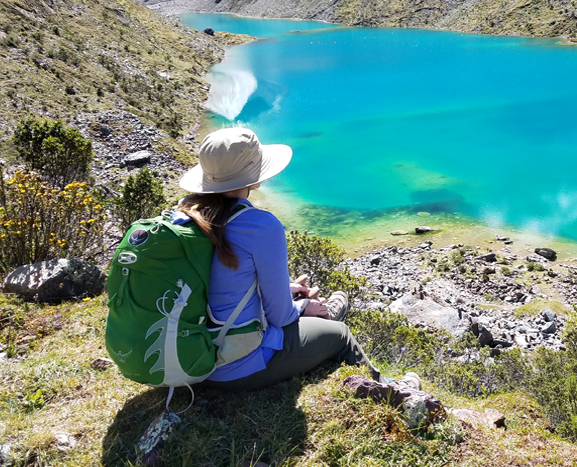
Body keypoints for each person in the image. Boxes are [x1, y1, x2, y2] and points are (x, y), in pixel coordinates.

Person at [174, 126, 418, 391]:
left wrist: (287, 291)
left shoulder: (184, 216)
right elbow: (280, 317)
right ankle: (393, 391)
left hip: (184, 354)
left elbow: (217, 283)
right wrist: (302, 307)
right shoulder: (259, 225)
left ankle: (322, 314)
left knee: (307, 303)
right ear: (253, 178)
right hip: (229, 366)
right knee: (341, 336)